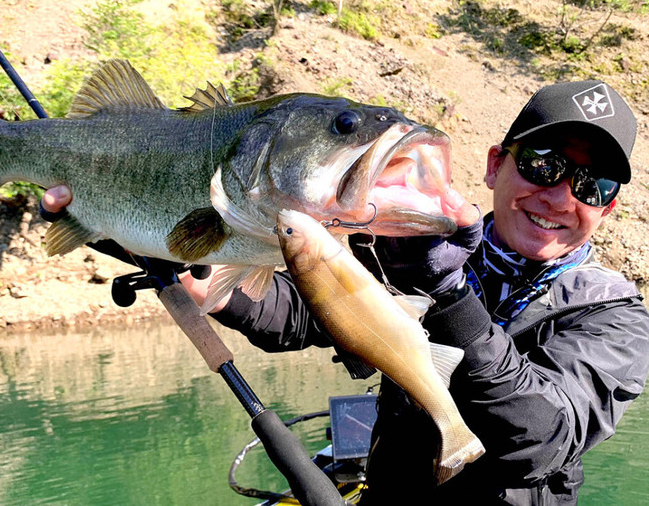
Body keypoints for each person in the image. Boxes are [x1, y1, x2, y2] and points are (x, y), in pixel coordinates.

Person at [41, 80, 649, 505]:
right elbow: (306, 317)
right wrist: (213, 289)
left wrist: (450, 294)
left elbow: (543, 442)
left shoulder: (614, 315)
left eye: (592, 184)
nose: (560, 196)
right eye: (543, 164)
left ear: (609, 207)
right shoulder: (407, 239)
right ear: (495, 165)